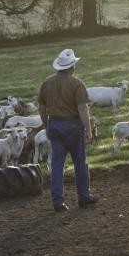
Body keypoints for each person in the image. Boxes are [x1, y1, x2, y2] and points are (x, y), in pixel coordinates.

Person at [38, 48, 99, 212]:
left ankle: (57, 201)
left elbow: (42, 109)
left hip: (54, 126)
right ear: (72, 66)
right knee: (80, 163)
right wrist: (88, 130)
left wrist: (47, 126)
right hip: (72, 126)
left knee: (57, 165)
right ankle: (84, 197)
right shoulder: (77, 84)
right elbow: (82, 109)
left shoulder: (46, 83)